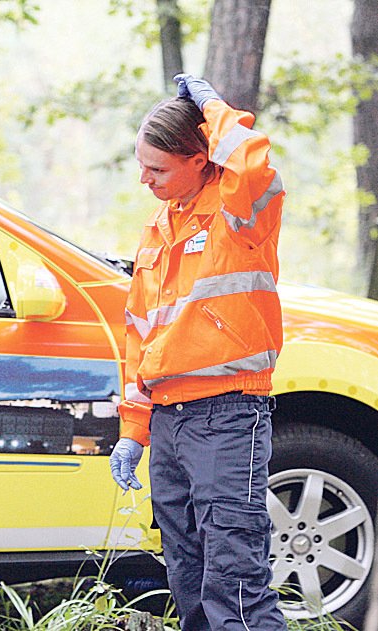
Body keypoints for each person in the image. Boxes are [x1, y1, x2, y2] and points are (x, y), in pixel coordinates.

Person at [109, 74, 287, 631]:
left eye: (158, 169)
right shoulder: (157, 230)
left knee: (235, 586)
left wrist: (212, 106)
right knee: (189, 581)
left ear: (200, 157)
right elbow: (142, 336)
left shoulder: (241, 214)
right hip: (170, 424)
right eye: (142, 166)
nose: (146, 180)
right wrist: (133, 431)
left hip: (228, 416)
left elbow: (252, 161)